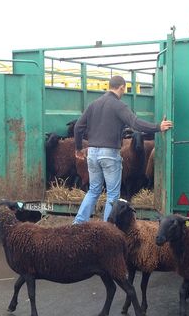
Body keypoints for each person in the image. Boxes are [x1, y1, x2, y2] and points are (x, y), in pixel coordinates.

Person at [72, 75, 173, 224]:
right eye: (124, 89)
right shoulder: (119, 106)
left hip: (92, 152)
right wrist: (158, 127)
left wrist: (79, 148)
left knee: (93, 190)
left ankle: (78, 223)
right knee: (113, 194)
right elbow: (135, 123)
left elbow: (77, 127)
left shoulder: (94, 104)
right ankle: (108, 228)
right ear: (121, 87)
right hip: (109, 154)